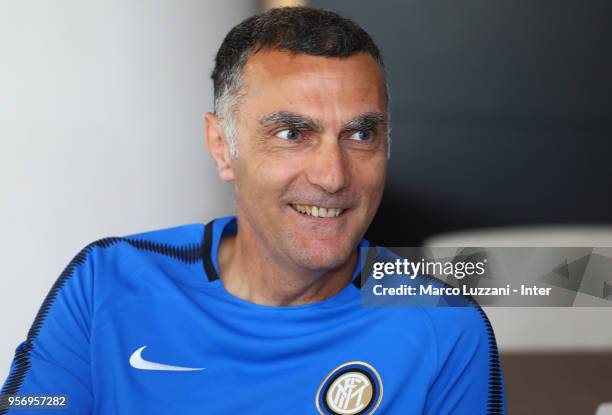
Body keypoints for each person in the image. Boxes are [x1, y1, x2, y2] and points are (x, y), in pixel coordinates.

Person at [1, 7, 505, 414]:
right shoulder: (106, 281)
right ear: (222, 147)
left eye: (361, 134)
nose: (333, 176)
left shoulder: (443, 325)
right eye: (291, 134)